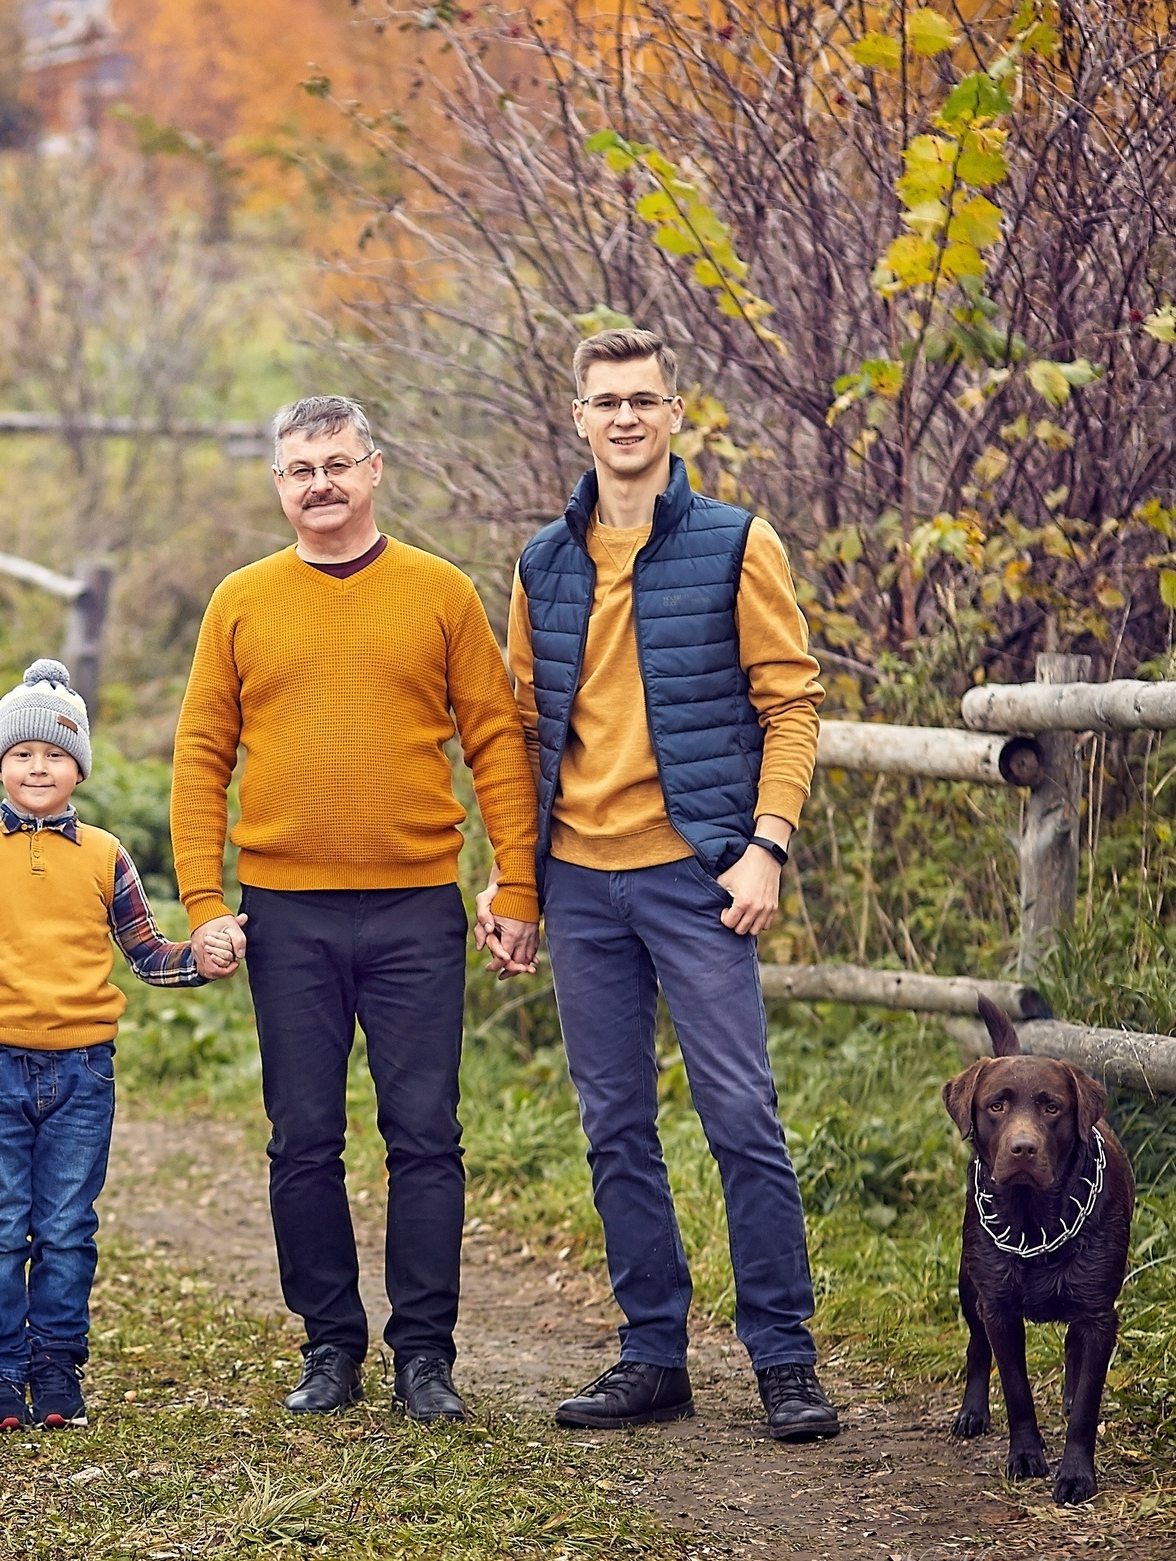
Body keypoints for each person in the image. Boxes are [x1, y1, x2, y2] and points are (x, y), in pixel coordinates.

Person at [485, 324, 840, 1442]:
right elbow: (519, 735)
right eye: (606, 401)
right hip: (580, 886)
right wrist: (515, 886)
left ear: (672, 414)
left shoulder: (738, 543)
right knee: (614, 1125)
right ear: (579, 418)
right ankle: (652, 1356)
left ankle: (784, 1359)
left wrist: (766, 845)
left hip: (696, 878)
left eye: (644, 399)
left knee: (740, 1115)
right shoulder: (542, 563)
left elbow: (791, 705)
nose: (626, 417)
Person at [171, 395, 540, 1424]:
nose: (320, 483)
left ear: (373, 470)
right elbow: (201, 754)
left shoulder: (439, 592)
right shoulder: (240, 601)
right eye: (300, 468)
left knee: (425, 1134)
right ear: (277, 484)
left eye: (337, 463)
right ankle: (329, 1345)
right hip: (284, 910)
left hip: (416, 907)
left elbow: (496, 742)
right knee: (302, 1138)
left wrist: (517, 882)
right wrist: (204, 899)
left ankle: (426, 1355)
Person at [0, 660, 214, 1432]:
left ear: (79, 769)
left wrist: (204, 957)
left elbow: (148, 953)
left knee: (65, 1223)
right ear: (0, 762)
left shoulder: (105, 854)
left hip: (84, 1068)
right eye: (22, 753)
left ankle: (56, 1362)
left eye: (56, 754)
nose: (38, 766)